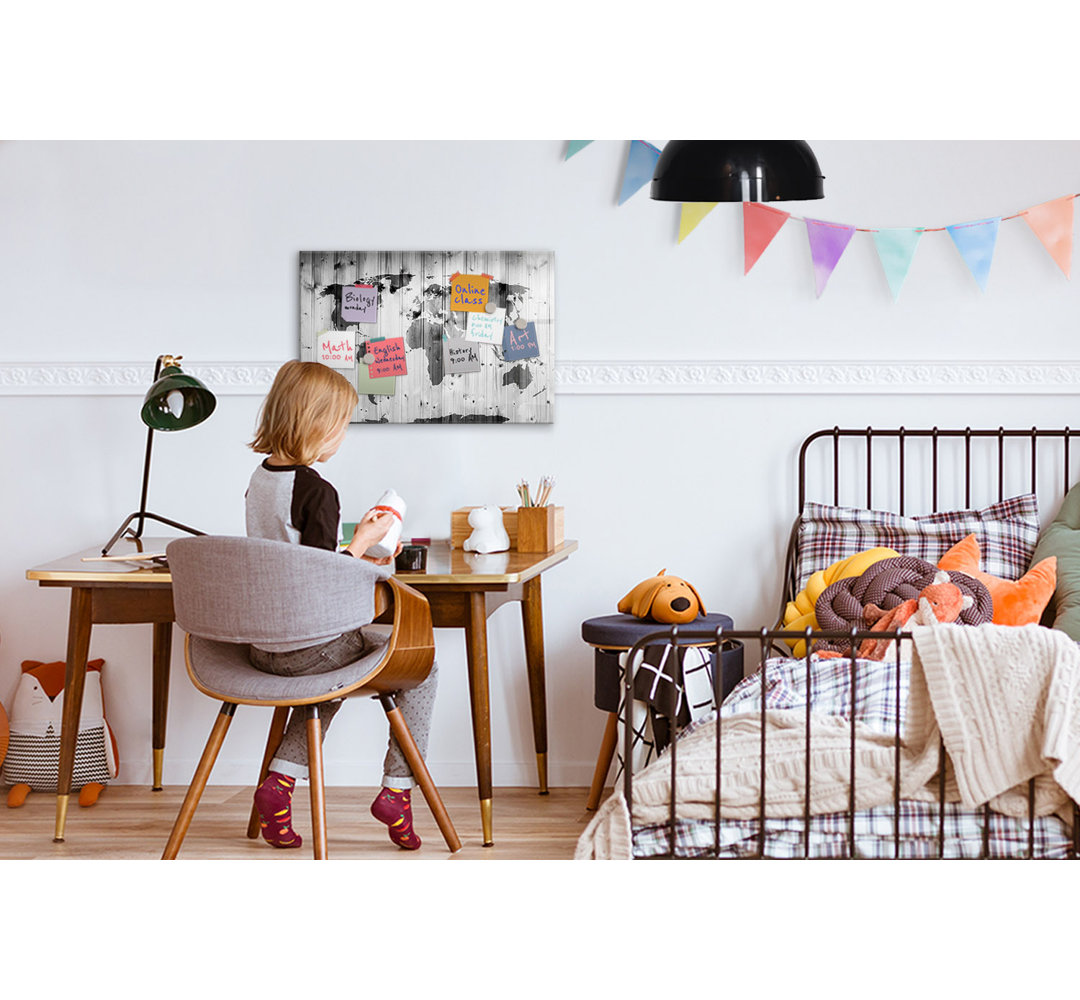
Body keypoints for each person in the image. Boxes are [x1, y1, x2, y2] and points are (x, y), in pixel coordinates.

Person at [243, 359, 437, 850]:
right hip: (308, 646)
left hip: (263, 646)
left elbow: (293, 555)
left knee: (331, 674)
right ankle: (398, 790)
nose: (342, 437)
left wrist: (352, 543)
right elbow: (321, 578)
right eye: (341, 425)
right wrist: (366, 542)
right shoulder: (317, 490)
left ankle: (280, 784)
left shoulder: (260, 480)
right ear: (316, 424)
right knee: (420, 663)